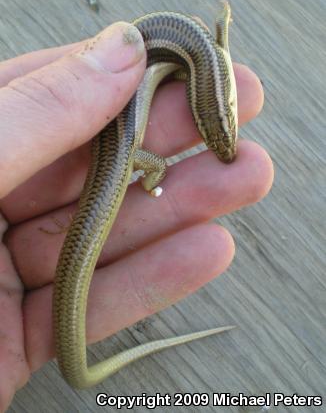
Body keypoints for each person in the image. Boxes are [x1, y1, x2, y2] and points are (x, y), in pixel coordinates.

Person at [0, 22, 273, 410]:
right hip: (122, 138)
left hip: (121, 135)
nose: (220, 145)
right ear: (199, 100)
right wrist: (153, 172)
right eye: (213, 135)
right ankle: (154, 172)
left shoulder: (192, 60)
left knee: (125, 168)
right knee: (133, 165)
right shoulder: (184, 58)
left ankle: (152, 170)